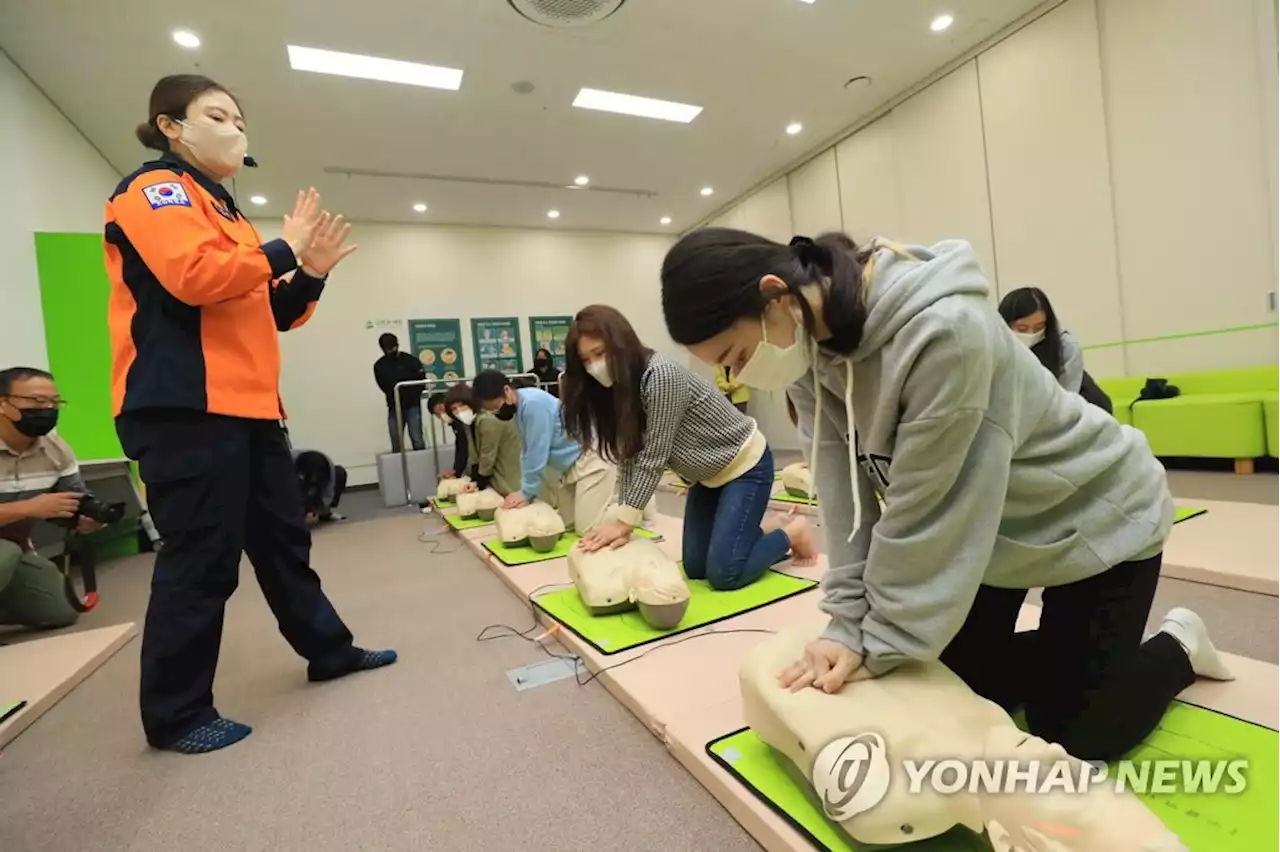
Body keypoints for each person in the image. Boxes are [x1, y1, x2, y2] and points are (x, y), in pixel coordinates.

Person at [659, 227, 1232, 763]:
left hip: (1096, 514)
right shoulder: (812, 356)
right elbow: (845, 497)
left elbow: (928, 513)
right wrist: (845, 624)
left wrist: (875, 641)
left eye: (734, 355)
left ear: (774, 296)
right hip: (996, 534)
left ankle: (1179, 642)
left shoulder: (945, 332)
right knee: (957, 687)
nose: (739, 374)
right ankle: (1071, 661)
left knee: (1081, 730)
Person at [105, 74, 395, 755]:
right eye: (218, 115)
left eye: (239, 117)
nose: (236, 128)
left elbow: (270, 311)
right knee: (203, 559)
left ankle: (330, 649)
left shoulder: (228, 214)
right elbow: (194, 277)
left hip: (250, 409)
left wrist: (312, 271)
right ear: (171, 126)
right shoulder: (155, 190)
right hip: (183, 408)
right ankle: (176, 715)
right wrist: (286, 250)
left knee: (283, 543)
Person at [562, 306, 817, 591]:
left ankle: (793, 531)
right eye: (586, 360)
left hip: (745, 466)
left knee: (725, 575)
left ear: (620, 343)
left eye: (600, 353)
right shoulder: (620, 390)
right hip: (706, 477)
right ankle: (756, 531)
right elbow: (631, 455)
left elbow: (653, 455)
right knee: (696, 569)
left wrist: (624, 524)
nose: (595, 366)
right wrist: (620, 517)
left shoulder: (660, 375)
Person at [471, 370, 616, 534]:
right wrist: (525, 490)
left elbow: (536, 451)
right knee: (566, 525)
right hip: (571, 465)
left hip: (590, 458)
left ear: (507, 391)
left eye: (497, 406)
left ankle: (621, 516)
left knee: (586, 529)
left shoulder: (532, 404)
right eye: (493, 411)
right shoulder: (521, 408)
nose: (498, 412)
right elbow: (526, 452)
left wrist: (526, 493)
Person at [0, 368, 90, 630]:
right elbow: (35, 508)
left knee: (60, 609)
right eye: (37, 401)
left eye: (54, 402)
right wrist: (29, 508)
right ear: (3, 403)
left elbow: (76, 498)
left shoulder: (55, 449)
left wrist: (84, 517)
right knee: (6, 551)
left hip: (14, 552)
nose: (48, 408)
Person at [998, 287, 1113, 414]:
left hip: (1082, 409)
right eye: (1022, 328)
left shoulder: (1066, 346)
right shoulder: (998, 347)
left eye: (1039, 327)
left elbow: (1064, 403)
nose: (1031, 334)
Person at [445, 384, 522, 496]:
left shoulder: (488, 419)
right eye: (454, 409)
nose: (459, 411)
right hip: (495, 474)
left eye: (462, 406)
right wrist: (475, 480)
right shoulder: (468, 423)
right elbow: (475, 455)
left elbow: (487, 455)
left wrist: (478, 482)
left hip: (509, 471)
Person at [374, 333, 427, 451]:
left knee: (417, 437)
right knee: (395, 439)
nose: (390, 351)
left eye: (392, 348)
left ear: (397, 345)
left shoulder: (411, 361)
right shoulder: (380, 365)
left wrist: (412, 394)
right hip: (394, 406)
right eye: (387, 349)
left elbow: (421, 380)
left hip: (413, 405)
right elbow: (382, 385)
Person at [428, 391, 470, 479]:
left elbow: (464, 446)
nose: (442, 416)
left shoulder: (462, 419)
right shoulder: (454, 423)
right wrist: (455, 471)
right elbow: (460, 445)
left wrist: (456, 472)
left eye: (441, 411)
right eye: (438, 414)